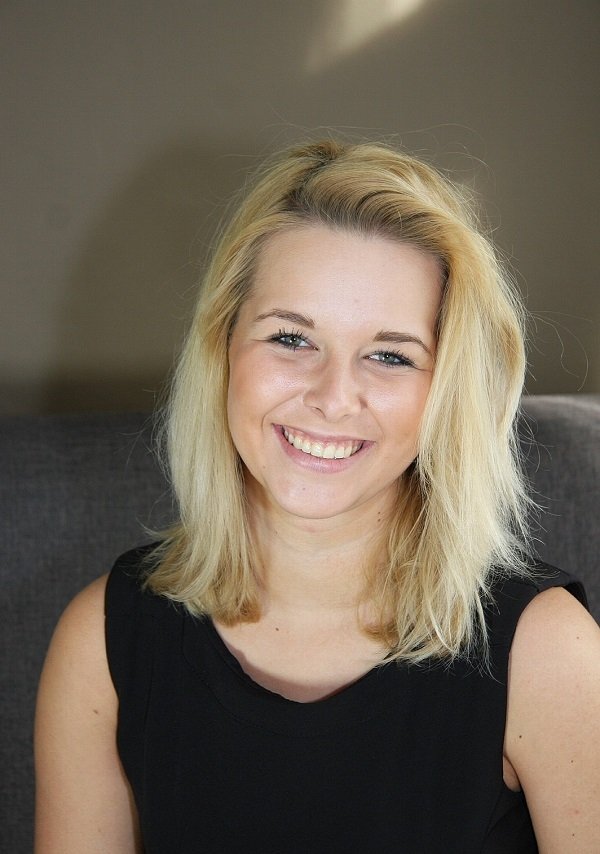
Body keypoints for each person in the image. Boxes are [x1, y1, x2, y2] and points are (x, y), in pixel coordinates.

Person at [34, 140, 600, 853]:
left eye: (390, 355)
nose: (333, 398)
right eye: (292, 339)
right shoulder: (103, 638)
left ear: (446, 394)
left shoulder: (549, 653)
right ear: (222, 349)